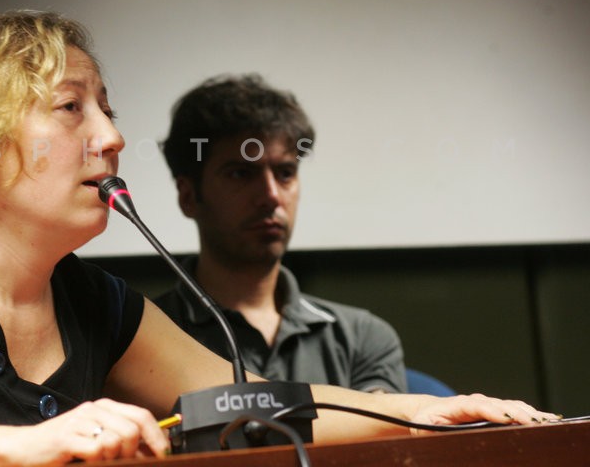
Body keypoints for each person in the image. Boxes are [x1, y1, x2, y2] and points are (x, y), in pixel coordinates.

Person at [0, 11, 555, 467]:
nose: (113, 137)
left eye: (108, 108)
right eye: (71, 108)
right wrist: (24, 444)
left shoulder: (92, 300)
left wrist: (421, 412)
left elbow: (254, 403)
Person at [155, 74, 406, 393]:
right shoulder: (144, 337)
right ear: (189, 197)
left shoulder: (361, 337)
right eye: (240, 174)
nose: (271, 195)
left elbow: (379, 425)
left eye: (285, 173)